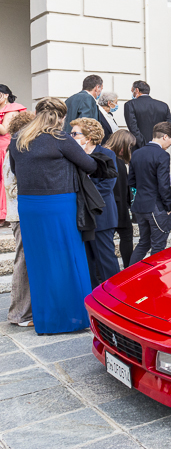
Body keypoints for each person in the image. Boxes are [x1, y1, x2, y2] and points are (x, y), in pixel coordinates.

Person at [9, 97, 98, 333]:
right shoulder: (60, 138)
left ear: (36, 113)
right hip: (58, 203)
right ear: (61, 117)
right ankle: (75, 317)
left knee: (39, 263)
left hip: (29, 205)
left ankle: (46, 319)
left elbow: (16, 170)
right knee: (69, 259)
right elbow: (90, 166)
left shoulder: (17, 138)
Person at [71, 117, 120, 287]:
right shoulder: (73, 156)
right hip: (81, 215)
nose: (71, 137)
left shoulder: (106, 154)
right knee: (88, 262)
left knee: (106, 261)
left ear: (88, 137)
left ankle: (115, 297)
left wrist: (83, 195)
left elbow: (107, 185)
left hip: (101, 214)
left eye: (75, 133)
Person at [129, 122, 171, 264]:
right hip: (156, 207)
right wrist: (169, 205)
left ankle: (130, 275)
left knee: (144, 243)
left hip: (139, 205)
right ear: (165, 136)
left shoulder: (136, 153)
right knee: (158, 246)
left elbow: (131, 181)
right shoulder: (162, 155)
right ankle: (154, 280)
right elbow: (163, 185)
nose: (170, 144)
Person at [5, 111, 35, 326]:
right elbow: (10, 184)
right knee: (22, 261)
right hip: (19, 212)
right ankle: (19, 314)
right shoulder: (13, 151)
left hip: (21, 211)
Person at [104, 130, 136, 269]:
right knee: (126, 235)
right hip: (116, 204)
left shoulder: (108, 155)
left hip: (115, 203)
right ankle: (127, 268)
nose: (129, 149)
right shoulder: (113, 158)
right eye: (129, 146)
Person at [0, 84, 26, 226]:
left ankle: (3, 214)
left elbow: (4, 130)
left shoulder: (12, 108)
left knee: (5, 179)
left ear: (4, 95)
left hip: (4, 147)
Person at [124, 80, 171, 148]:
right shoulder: (163, 106)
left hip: (139, 147)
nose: (132, 93)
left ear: (137, 90)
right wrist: (160, 144)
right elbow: (168, 127)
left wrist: (144, 145)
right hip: (159, 146)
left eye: (132, 91)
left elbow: (133, 128)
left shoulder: (130, 105)